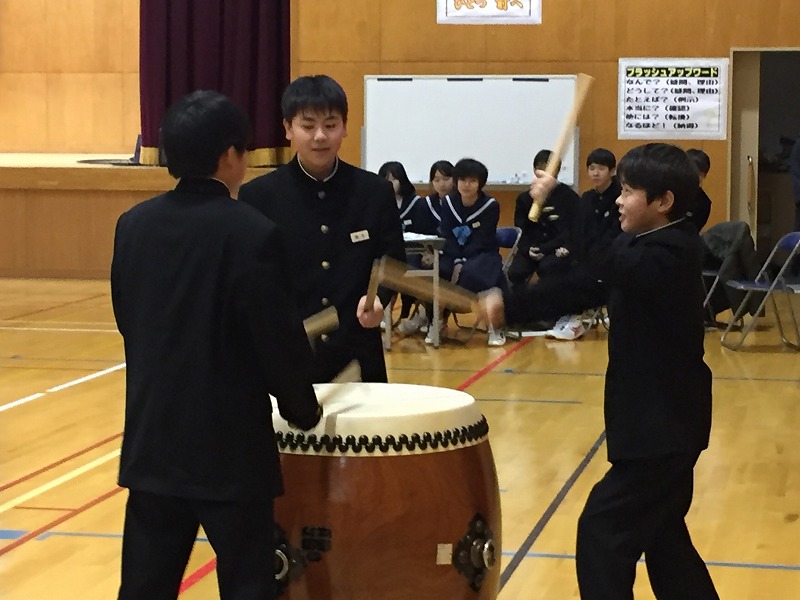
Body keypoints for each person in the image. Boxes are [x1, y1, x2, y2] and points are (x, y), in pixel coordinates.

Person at [480, 143, 719, 600]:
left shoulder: (670, 252)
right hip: (657, 422)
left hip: (664, 426)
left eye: (628, 192)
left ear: (664, 201)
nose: (618, 201)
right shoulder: (642, 241)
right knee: (664, 540)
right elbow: (588, 276)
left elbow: (594, 271)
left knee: (602, 533)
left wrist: (561, 199)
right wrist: (512, 305)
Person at [111, 90, 322, 600]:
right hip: (230, 452)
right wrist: (302, 409)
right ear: (230, 155)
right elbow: (276, 339)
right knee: (247, 584)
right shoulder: (252, 233)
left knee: (143, 587)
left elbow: (128, 319)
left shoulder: (132, 225)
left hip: (154, 442)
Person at [239, 75, 405, 383]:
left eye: (330, 125)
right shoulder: (258, 196)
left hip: (358, 354)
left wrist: (380, 298)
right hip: (287, 358)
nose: (320, 136)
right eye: (308, 126)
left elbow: (393, 259)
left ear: (344, 128)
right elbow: (252, 277)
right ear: (288, 128)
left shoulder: (374, 192)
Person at [545, 148, 623, 340]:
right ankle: (564, 315)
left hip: (612, 254)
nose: (595, 173)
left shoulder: (620, 197)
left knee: (583, 273)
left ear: (612, 171)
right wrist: (569, 249)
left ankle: (575, 321)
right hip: (587, 253)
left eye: (601, 168)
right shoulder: (588, 198)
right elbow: (578, 230)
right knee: (554, 265)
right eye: (592, 168)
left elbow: (617, 233)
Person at [439, 157, 506, 346]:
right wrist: (456, 260)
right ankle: (436, 322)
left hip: (483, 254)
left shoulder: (490, 205)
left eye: (472, 181)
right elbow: (447, 235)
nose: (466, 185)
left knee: (474, 272)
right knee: (438, 271)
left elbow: (483, 239)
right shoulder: (448, 203)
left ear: (480, 183)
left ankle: (494, 326)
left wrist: (463, 262)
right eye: (462, 180)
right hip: (454, 254)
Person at [508, 149, 580, 291]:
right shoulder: (525, 198)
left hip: (556, 248)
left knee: (550, 269)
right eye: (540, 169)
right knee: (515, 273)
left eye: (550, 169)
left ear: (557, 171)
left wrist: (547, 249)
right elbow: (522, 229)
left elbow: (571, 230)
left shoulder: (569, 197)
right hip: (532, 247)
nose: (545, 173)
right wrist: (528, 249)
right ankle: (520, 302)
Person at [686, 148, 713, 232]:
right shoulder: (667, 190)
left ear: (704, 175)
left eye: (698, 175)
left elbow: (693, 232)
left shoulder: (704, 203)